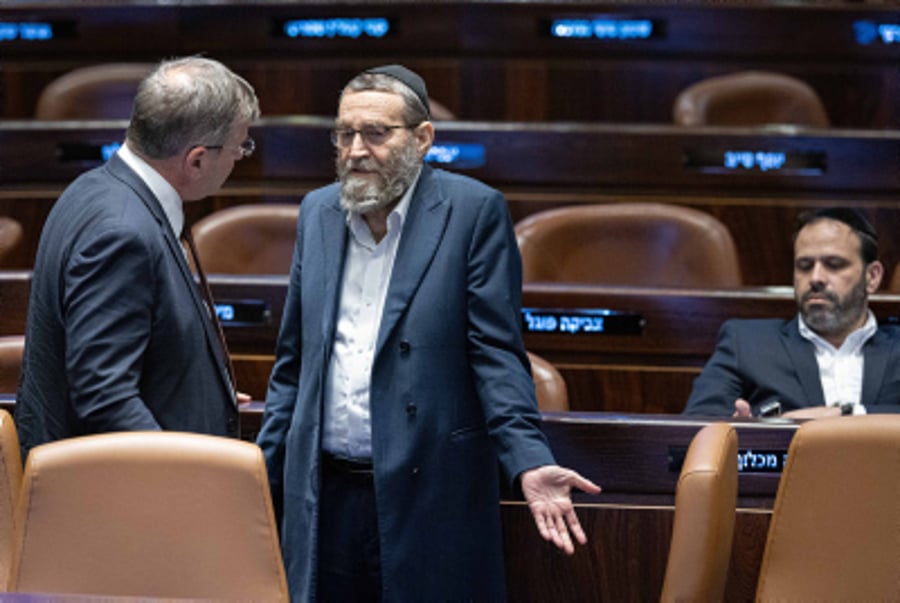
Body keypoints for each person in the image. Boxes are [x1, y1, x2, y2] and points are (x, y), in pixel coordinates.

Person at [256, 64, 601, 601]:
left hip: (428, 491)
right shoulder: (317, 212)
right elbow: (294, 363)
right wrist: (261, 474)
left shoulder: (471, 212)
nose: (354, 151)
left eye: (375, 133)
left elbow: (496, 354)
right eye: (344, 134)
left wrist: (528, 459)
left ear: (422, 139)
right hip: (323, 497)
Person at [16, 56, 259, 457]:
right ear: (197, 159)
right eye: (240, 147)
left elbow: (136, 341)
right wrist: (183, 475)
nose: (239, 157)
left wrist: (200, 393)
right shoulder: (122, 233)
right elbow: (104, 396)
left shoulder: (93, 187)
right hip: (120, 503)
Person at [683, 207, 900, 418]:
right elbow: (692, 430)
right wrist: (739, 433)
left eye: (834, 265)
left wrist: (848, 413)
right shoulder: (747, 343)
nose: (815, 278)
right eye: (804, 266)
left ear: (872, 277)